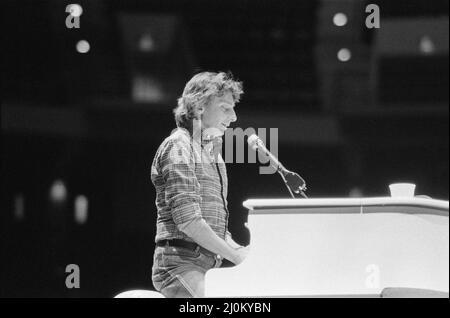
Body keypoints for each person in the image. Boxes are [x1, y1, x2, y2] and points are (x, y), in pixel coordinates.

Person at [150, 71, 249, 298]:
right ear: (199, 107)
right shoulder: (178, 146)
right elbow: (189, 222)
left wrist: (243, 252)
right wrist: (236, 257)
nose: (234, 117)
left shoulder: (214, 157)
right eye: (225, 107)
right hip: (177, 267)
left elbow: (216, 230)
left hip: (206, 266)